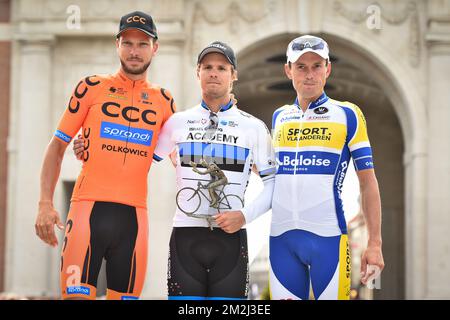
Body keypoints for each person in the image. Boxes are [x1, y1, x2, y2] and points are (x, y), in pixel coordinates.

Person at [74, 41, 276, 300]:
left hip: (232, 240)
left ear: (233, 75)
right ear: (198, 72)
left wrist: (245, 216)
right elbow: (133, 156)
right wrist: (89, 149)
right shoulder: (176, 123)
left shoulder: (254, 128)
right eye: (207, 67)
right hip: (185, 239)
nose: (214, 73)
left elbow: (272, 185)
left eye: (222, 68)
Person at [224, 35, 385, 300]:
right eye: (301, 67)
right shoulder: (280, 116)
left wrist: (375, 244)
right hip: (281, 239)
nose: (309, 74)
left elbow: (368, 182)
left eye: (316, 66)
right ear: (288, 70)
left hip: (329, 238)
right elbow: (273, 172)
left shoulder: (347, 114)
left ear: (327, 69)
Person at [35, 11, 176, 300]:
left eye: (142, 44)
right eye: (128, 43)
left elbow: (181, 156)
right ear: (117, 45)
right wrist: (45, 204)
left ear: (155, 48)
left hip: (134, 219)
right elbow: (57, 145)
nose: (134, 51)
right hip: (87, 210)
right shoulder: (91, 87)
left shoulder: (164, 100)